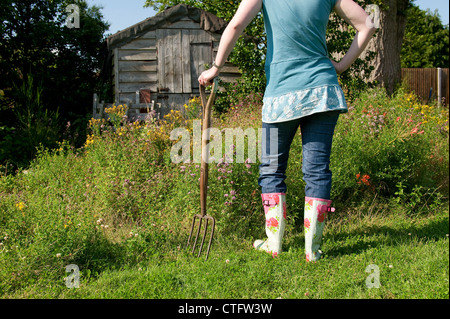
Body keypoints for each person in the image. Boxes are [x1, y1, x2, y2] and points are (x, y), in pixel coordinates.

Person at [198, 0, 376, 261]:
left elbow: (235, 25)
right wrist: (340, 65)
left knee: (271, 168)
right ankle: (311, 251)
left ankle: (274, 244)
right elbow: (368, 25)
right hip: (322, 92)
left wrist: (216, 67)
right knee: (317, 171)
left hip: (281, 96)